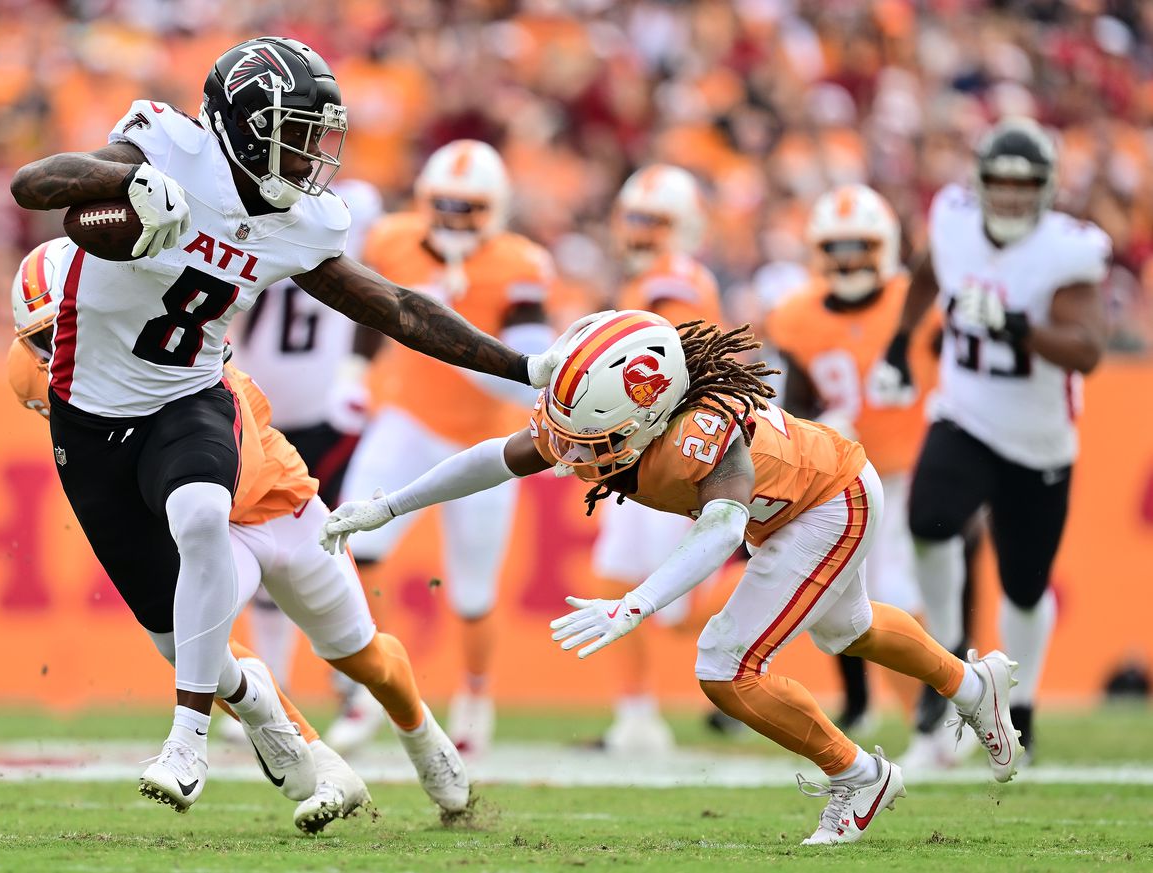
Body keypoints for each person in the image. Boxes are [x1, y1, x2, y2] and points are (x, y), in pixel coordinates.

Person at [9, 37, 575, 812]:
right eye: (299, 130)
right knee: (183, 641)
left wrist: (524, 367)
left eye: (319, 133)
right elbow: (34, 184)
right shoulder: (169, 147)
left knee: (202, 513)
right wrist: (132, 181)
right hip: (88, 417)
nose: (314, 152)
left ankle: (187, 745)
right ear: (242, 126)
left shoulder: (301, 223)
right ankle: (283, 733)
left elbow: (401, 309)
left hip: (190, 394)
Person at [321, 310, 1023, 845]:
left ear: (651, 408)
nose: (571, 455)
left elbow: (720, 530)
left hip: (827, 503)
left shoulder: (702, 430)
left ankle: (859, 777)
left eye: (589, 439)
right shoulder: (619, 408)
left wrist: (634, 604)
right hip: (797, 502)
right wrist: (388, 504)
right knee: (850, 629)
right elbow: (498, 455)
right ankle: (972, 684)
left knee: (726, 664)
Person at [873, 117, 1110, 764]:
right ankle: (949, 661)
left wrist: (1015, 328)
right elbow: (928, 270)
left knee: (1023, 586)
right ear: (979, 183)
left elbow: (1087, 349)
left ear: (1046, 188)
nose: (1008, 196)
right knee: (927, 519)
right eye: (999, 182)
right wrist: (900, 341)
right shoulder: (951, 217)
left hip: (1038, 442)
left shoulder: (1068, 249)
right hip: (965, 414)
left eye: (1024, 184)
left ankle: (1022, 708)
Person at [329, 140, 555, 756]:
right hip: (405, 420)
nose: (454, 219)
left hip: (484, 440)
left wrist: (448, 322)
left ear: (496, 209)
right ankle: (364, 690)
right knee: (352, 545)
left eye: (469, 208)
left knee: (474, 591)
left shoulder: (521, 264)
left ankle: (476, 698)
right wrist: (353, 372)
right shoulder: (393, 239)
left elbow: (524, 365)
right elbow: (367, 314)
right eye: (444, 205)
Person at [765, 184, 939, 733]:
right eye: (836, 248)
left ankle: (932, 715)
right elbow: (794, 404)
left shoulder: (915, 303)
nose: (848, 260)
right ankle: (919, 713)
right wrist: (819, 431)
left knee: (901, 592)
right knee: (843, 594)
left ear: (884, 245)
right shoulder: (796, 315)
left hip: (916, 466)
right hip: (848, 475)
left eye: (859, 246)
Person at [227, 178, 383, 709]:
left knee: (333, 544)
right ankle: (272, 684)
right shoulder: (251, 217)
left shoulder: (347, 219)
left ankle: (353, 682)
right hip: (265, 415)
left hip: (323, 415)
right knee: (267, 545)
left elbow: (376, 306)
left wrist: (356, 376)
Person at [593, 165, 723, 753]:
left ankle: (768, 620)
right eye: (635, 219)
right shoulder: (647, 280)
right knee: (620, 574)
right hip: (641, 452)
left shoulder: (670, 283)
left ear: (686, 228)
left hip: (672, 450)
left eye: (656, 222)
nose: (641, 232)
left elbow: (669, 358)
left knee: (675, 600)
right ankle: (636, 712)